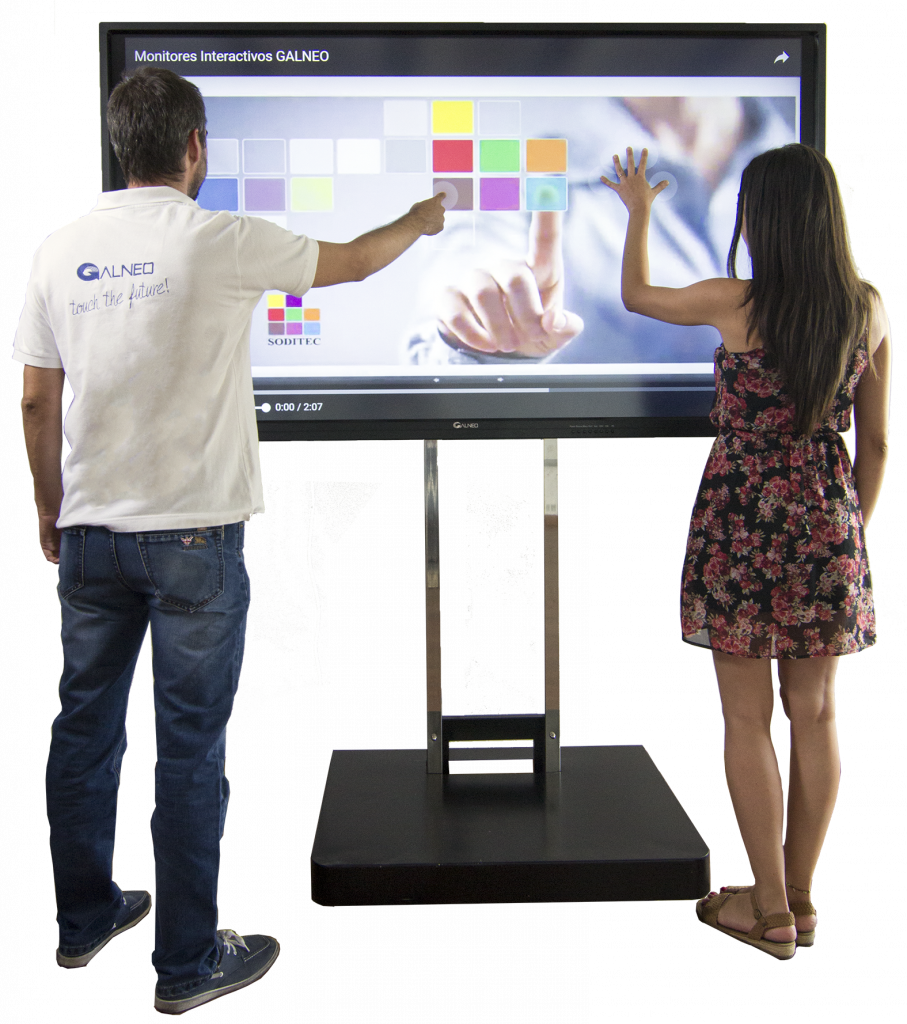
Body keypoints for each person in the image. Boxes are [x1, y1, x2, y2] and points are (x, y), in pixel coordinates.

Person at [14, 66, 444, 1014]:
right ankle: (186, 964)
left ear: (121, 145)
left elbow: (39, 400)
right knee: (189, 751)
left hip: (90, 535)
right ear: (195, 148)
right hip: (194, 541)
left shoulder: (58, 250)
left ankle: (84, 923)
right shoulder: (223, 240)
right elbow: (355, 262)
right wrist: (419, 220)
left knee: (82, 730)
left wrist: (49, 506)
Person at [600, 144, 892, 957]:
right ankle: (798, 899)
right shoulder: (867, 308)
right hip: (826, 525)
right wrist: (848, 533)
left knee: (745, 717)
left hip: (738, 526)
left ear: (759, 219)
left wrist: (639, 213)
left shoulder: (736, 302)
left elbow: (636, 294)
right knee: (816, 714)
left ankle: (763, 911)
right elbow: (875, 444)